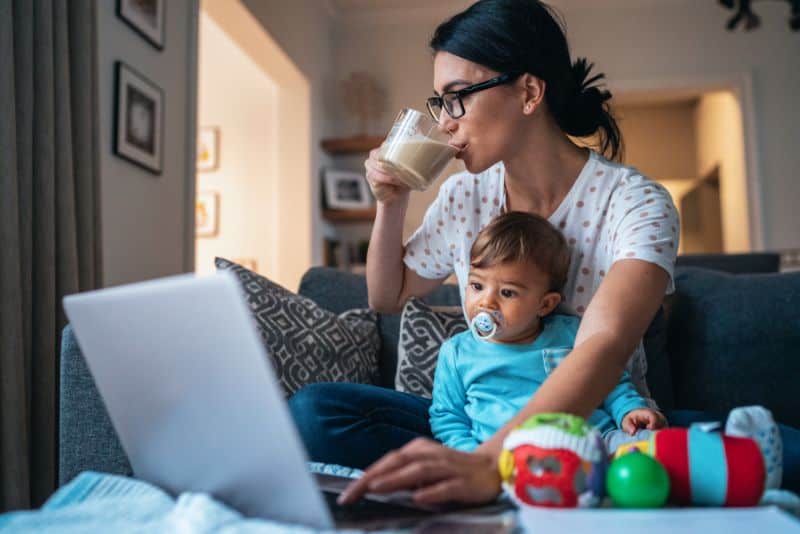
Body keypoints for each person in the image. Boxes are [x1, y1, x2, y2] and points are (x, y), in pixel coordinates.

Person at [289, 0, 799, 505]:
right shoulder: (464, 197)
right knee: (316, 413)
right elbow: (387, 296)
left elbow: (601, 347)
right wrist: (391, 203)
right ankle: (504, 474)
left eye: (458, 96)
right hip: (480, 423)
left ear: (529, 92)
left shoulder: (636, 203)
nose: (445, 122)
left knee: (784, 453)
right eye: (439, 102)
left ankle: (561, 473)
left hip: (600, 426)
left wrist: (492, 463)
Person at [429, 211, 666, 455]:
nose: (486, 302)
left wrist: (629, 410)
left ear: (545, 304)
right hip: (506, 458)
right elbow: (448, 418)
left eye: (508, 293)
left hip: (594, 442)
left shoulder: (573, 333)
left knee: (655, 447)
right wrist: (472, 458)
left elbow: (609, 382)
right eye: (477, 286)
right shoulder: (457, 353)